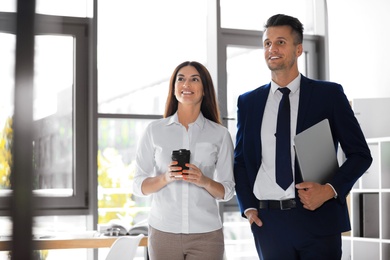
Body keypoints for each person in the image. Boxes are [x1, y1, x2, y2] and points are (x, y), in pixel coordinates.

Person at [233, 14, 372, 260]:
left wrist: (330, 190)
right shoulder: (248, 102)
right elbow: (241, 160)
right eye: (267, 43)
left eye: (280, 42)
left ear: (298, 49)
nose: (272, 49)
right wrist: (248, 207)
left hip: (318, 216)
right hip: (269, 224)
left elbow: (360, 155)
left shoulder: (328, 95)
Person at [133, 61, 235, 260]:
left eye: (194, 79)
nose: (186, 84)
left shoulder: (220, 135)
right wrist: (166, 178)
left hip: (207, 234)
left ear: (204, 89)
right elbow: (138, 186)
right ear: (173, 88)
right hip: (163, 232)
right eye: (181, 79)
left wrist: (203, 180)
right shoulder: (154, 131)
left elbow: (227, 191)